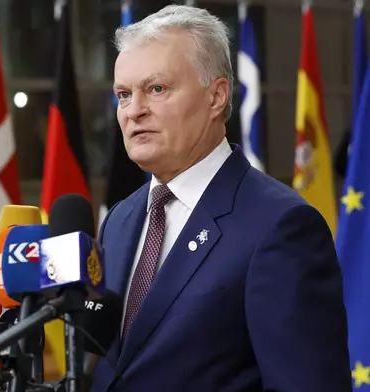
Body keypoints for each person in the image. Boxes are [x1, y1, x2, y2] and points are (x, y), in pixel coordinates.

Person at [92, 5, 351, 391]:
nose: (134, 111)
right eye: (124, 95)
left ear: (217, 97)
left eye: (156, 89)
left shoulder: (280, 225)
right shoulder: (120, 219)